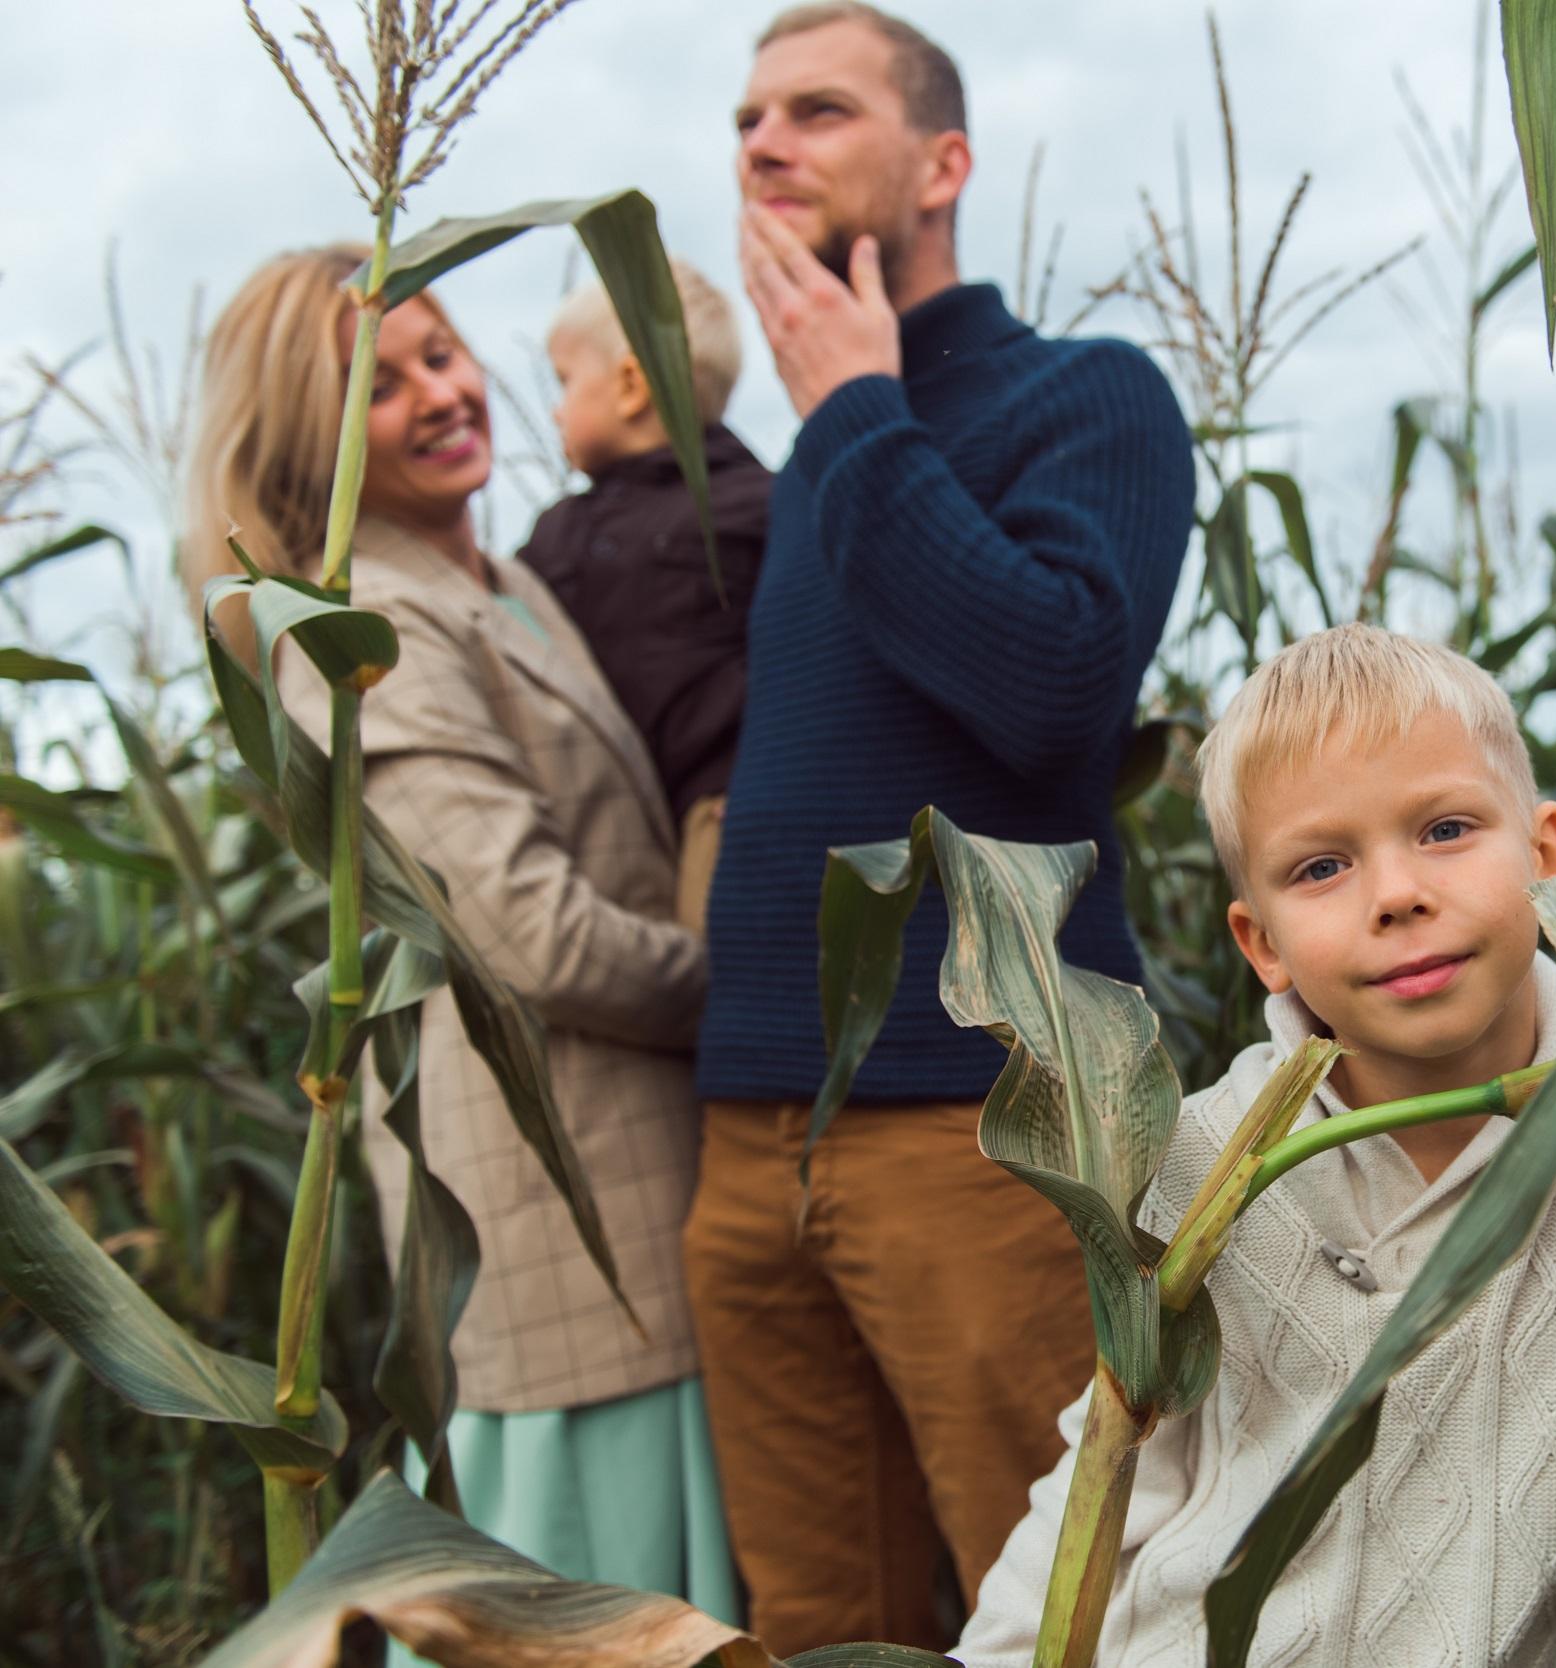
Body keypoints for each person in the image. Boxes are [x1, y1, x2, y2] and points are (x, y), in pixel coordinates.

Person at [956, 624, 1556, 1667]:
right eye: (1321, 866)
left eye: (1443, 829)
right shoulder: (1196, 1155)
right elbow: (1110, 1474)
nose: (1395, 893)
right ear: (1260, 944)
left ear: (1546, 858)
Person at [681, 1, 1197, 1654]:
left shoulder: (1088, 398)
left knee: (1059, 1614)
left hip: (979, 1132)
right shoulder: (812, 465)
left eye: (819, 111)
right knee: (816, 1621)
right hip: (753, 1135)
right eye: (750, 117)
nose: (764, 143)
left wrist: (849, 414)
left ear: (942, 163)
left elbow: (1054, 692)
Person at [183, 247, 734, 1623]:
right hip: (563, 1240)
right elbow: (529, 934)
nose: (442, 391)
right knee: (600, 1622)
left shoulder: (494, 575)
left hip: (635, 1209)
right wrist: (764, 991)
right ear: (311, 434)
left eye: (445, 353)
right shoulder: (365, 626)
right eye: (388, 382)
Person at [516, 258, 775, 933]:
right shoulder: (559, 533)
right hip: (604, 824)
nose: (556, 407)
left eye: (566, 382)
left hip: (718, 815)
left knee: (711, 988)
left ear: (630, 385)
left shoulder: (757, 508)